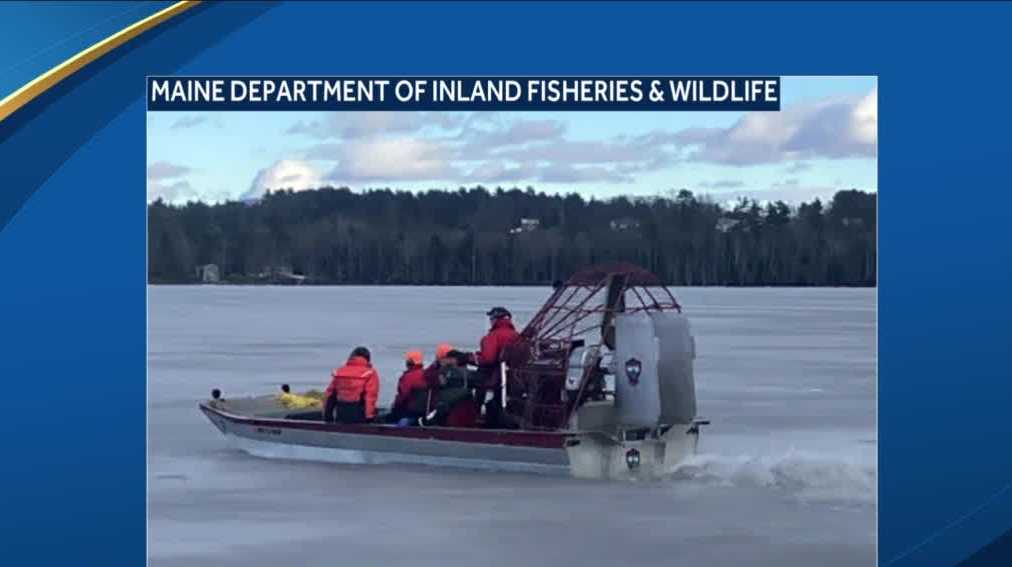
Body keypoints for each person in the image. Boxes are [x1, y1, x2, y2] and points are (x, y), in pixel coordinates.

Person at [473, 306, 520, 423]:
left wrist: (474, 358)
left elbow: (488, 359)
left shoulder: (493, 336)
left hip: (495, 377)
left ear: (495, 319)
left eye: (491, 318)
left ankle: (478, 416)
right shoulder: (516, 335)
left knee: (481, 392)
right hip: (514, 377)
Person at [323, 346, 379, 423]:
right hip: (359, 412)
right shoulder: (370, 373)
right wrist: (369, 417)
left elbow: (330, 395)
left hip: (341, 411)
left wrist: (327, 415)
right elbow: (370, 396)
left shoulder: (340, 371)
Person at [388, 350, 428, 423]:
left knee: (388, 417)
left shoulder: (408, 377)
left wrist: (394, 405)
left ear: (410, 362)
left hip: (409, 411)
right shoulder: (426, 374)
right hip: (423, 411)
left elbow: (402, 396)